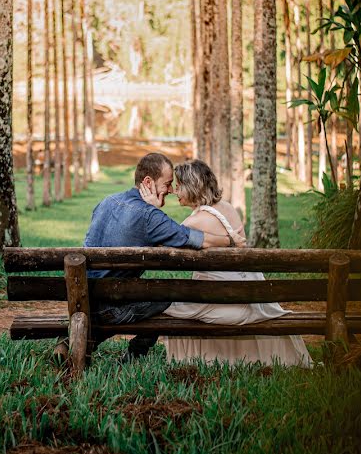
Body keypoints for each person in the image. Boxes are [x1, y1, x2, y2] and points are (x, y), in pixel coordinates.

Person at [60, 153, 238, 365]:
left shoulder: (107, 201)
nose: (171, 191)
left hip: (84, 298)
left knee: (143, 296)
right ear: (147, 182)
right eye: (167, 184)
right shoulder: (150, 217)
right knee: (169, 298)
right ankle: (135, 354)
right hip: (112, 308)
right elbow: (200, 240)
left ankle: (70, 343)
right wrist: (231, 240)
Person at [155, 159, 313, 367]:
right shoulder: (227, 207)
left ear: (192, 186)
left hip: (226, 302)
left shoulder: (197, 220)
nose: (175, 191)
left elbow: (162, 244)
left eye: (179, 185)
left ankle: (185, 359)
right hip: (249, 296)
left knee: (163, 306)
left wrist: (155, 207)